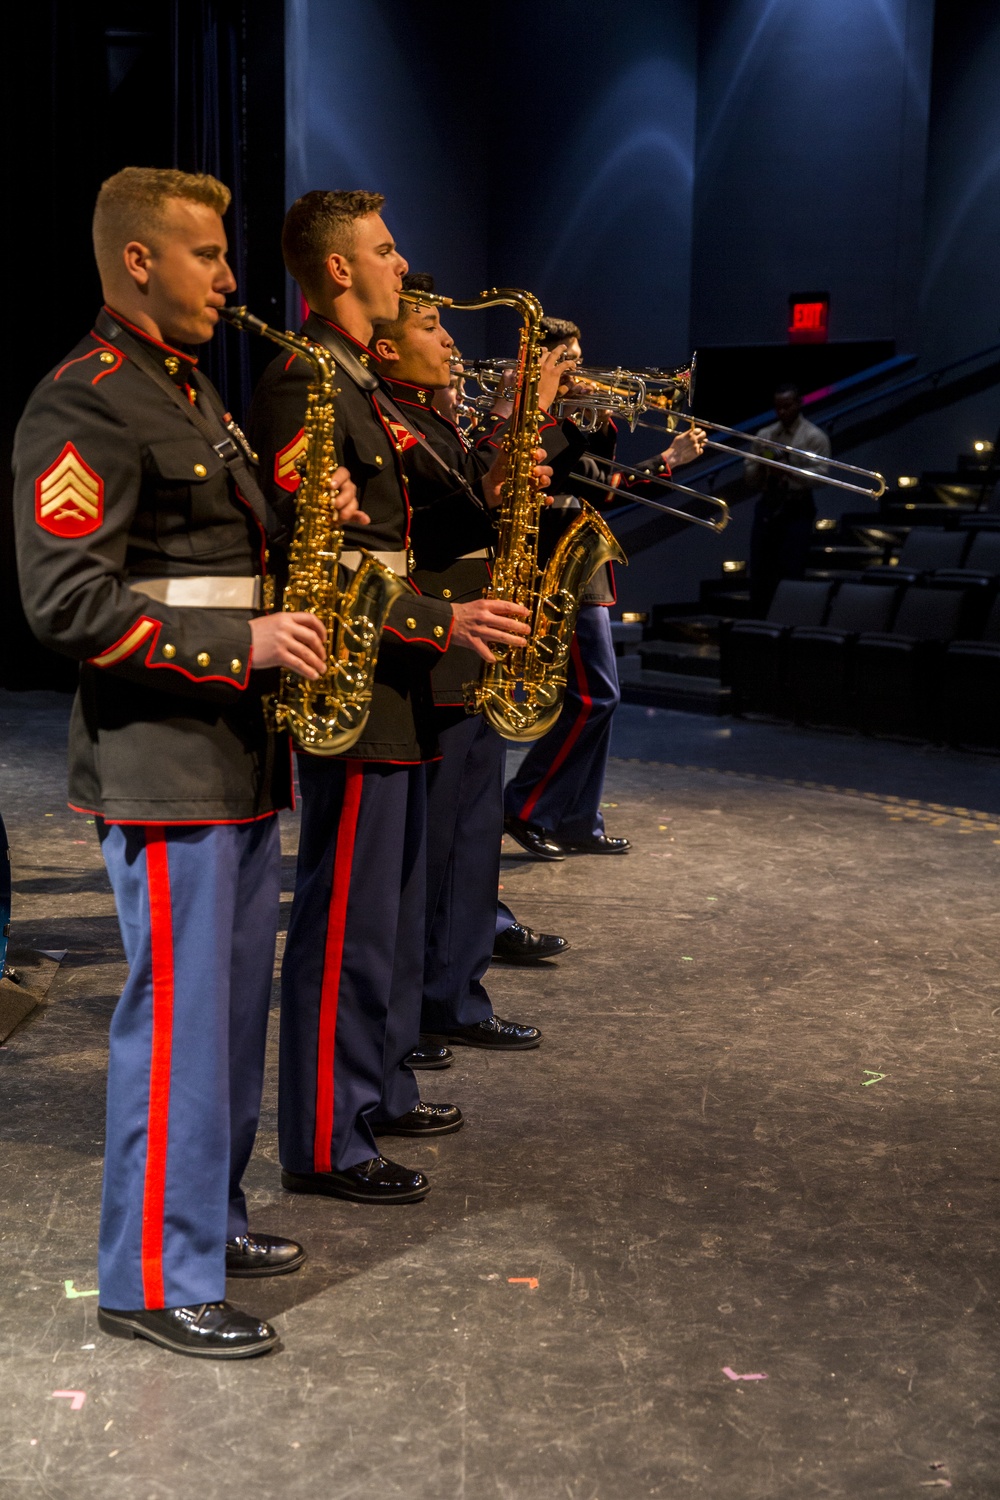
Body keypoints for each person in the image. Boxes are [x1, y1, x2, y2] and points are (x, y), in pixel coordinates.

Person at [11, 167, 359, 1358]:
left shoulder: (187, 392)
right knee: (176, 1024)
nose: (228, 276)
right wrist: (244, 642)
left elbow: (223, 548)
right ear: (141, 260)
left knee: (225, 1014)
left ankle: (205, 1213)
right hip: (165, 764)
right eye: (206, 254)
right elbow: (66, 603)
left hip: (237, 756)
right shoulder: (87, 404)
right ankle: (153, 1277)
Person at [247, 192, 532, 1204]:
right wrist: (439, 625)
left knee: (395, 914)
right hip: (356, 686)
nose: (401, 264)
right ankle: (327, 1137)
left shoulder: (359, 379)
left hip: (396, 686)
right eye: (383, 249)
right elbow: (317, 562)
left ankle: (375, 1088)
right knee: (348, 928)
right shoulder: (306, 381)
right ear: (336, 271)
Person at [372, 272, 549, 1052]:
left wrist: (500, 480)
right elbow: (425, 533)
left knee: (474, 848)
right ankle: (413, 1017)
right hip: (436, 653)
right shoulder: (389, 421)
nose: (450, 342)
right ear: (387, 347)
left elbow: (460, 510)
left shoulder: (431, 421)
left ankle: (457, 997)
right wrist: (521, 424)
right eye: (433, 329)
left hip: (475, 652)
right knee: (433, 858)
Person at [479, 318, 706, 861]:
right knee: (593, 696)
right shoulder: (521, 418)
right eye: (568, 361)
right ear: (538, 364)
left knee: (601, 697)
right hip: (552, 567)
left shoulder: (566, 416)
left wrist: (600, 415)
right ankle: (528, 806)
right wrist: (668, 461)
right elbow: (592, 480)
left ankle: (579, 816)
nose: (581, 370)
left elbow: (598, 475)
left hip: (582, 567)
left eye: (580, 358)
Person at [744, 383, 831, 614]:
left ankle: (790, 618)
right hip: (769, 503)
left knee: (792, 567)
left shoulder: (814, 436)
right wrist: (763, 467)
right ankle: (759, 621)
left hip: (797, 505)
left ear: (799, 404)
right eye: (778, 407)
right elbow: (749, 477)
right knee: (761, 568)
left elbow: (822, 477)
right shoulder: (765, 435)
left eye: (787, 406)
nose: (782, 412)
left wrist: (789, 471)